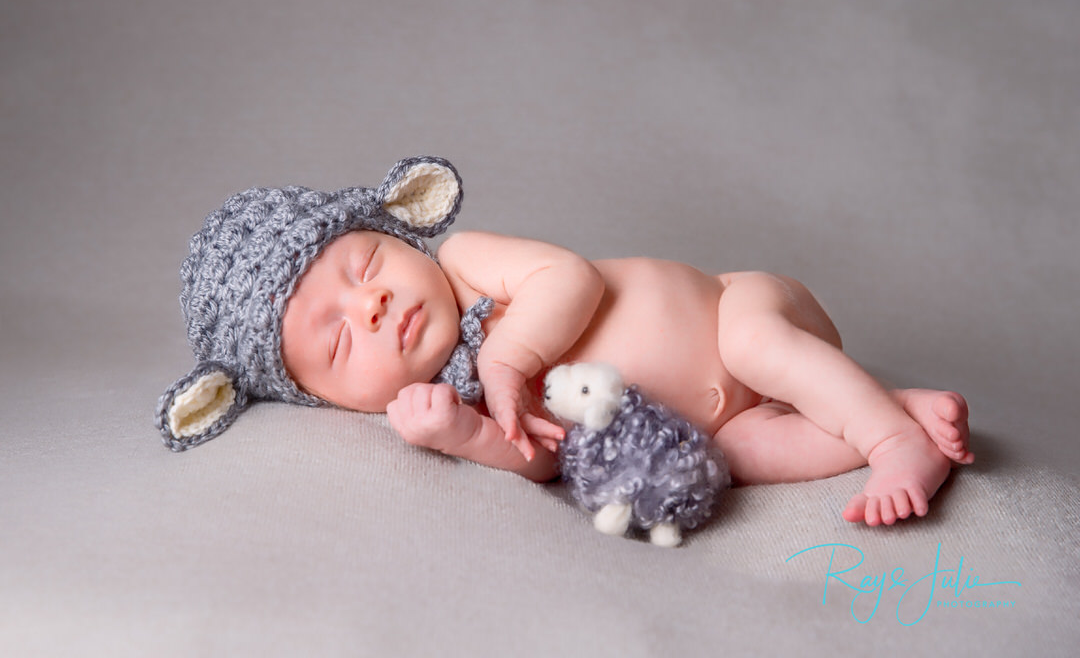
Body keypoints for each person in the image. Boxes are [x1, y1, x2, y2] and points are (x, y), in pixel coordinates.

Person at [157, 157, 972, 527]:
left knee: (760, 345)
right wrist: (463, 432)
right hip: (719, 423)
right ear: (330, 401)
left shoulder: (469, 263)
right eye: (337, 343)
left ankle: (892, 438)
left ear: (397, 230)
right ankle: (896, 417)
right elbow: (547, 459)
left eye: (364, 265)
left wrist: (507, 359)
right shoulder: (459, 392)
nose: (368, 307)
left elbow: (570, 278)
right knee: (751, 458)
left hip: (738, 306)